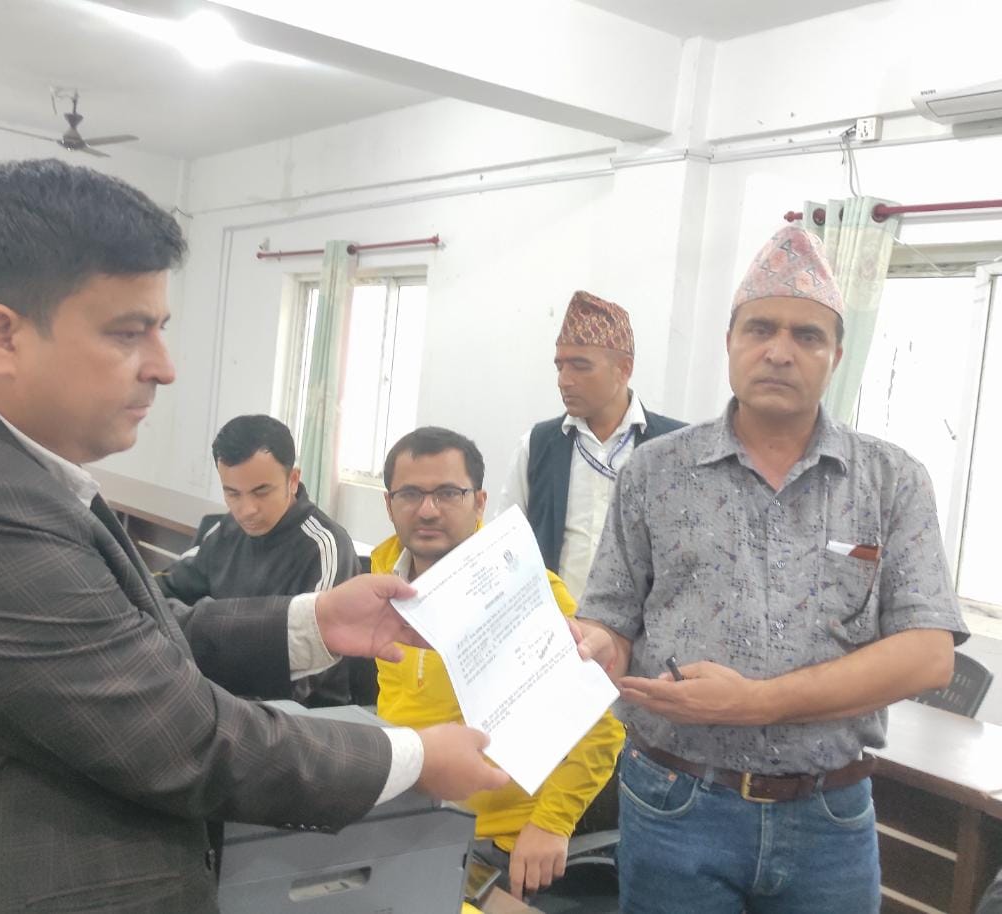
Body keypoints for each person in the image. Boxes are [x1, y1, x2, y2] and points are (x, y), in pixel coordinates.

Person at [0, 158, 508, 913]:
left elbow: (125, 638)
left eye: (160, 330)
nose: (165, 368)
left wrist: (313, 622)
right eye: (128, 334)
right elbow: (188, 742)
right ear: (3, 336)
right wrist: (414, 756)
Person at [572, 224, 968, 913]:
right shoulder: (655, 473)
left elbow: (929, 656)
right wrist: (594, 644)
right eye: (760, 329)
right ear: (729, 342)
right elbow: (612, 618)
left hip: (829, 814)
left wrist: (753, 702)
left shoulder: (891, 480)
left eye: (806, 336)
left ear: (837, 355)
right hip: (674, 803)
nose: (779, 351)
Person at [373, 426, 624, 899]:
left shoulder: (525, 589)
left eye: (448, 493)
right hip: (403, 824)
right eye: (410, 494)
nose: (428, 510)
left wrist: (551, 824)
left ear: (480, 502)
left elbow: (603, 727)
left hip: (496, 843)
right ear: (388, 504)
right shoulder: (380, 584)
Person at [157, 414, 359, 705]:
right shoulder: (225, 531)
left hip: (300, 714)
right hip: (223, 697)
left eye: (261, 491)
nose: (246, 510)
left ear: (293, 480)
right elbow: (161, 591)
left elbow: (308, 675)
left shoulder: (325, 546)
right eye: (232, 493)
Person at [497, 290, 683, 600]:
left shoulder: (674, 447)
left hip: (641, 627)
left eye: (580, 366)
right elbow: (505, 544)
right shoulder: (538, 446)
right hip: (556, 624)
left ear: (624, 369)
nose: (564, 380)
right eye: (560, 366)